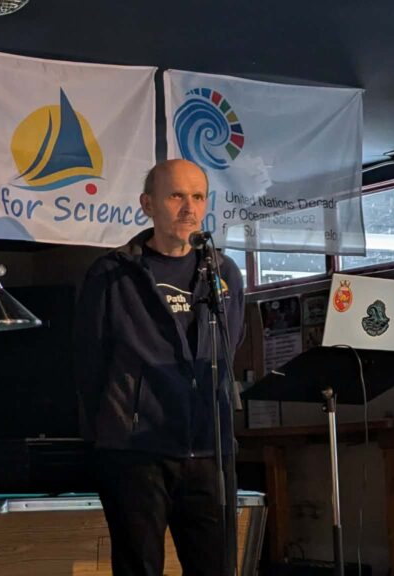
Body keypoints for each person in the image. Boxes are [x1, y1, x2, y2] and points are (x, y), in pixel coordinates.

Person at [73, 159, 245, 576]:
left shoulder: (223, 272)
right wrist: (116, 425)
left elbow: (231, 346)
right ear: (147, 204)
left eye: (198, 197)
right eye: (176, 196)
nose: (189, 208)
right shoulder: (113, 274)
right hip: (136, 451)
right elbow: (88, 363)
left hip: (209, 449)